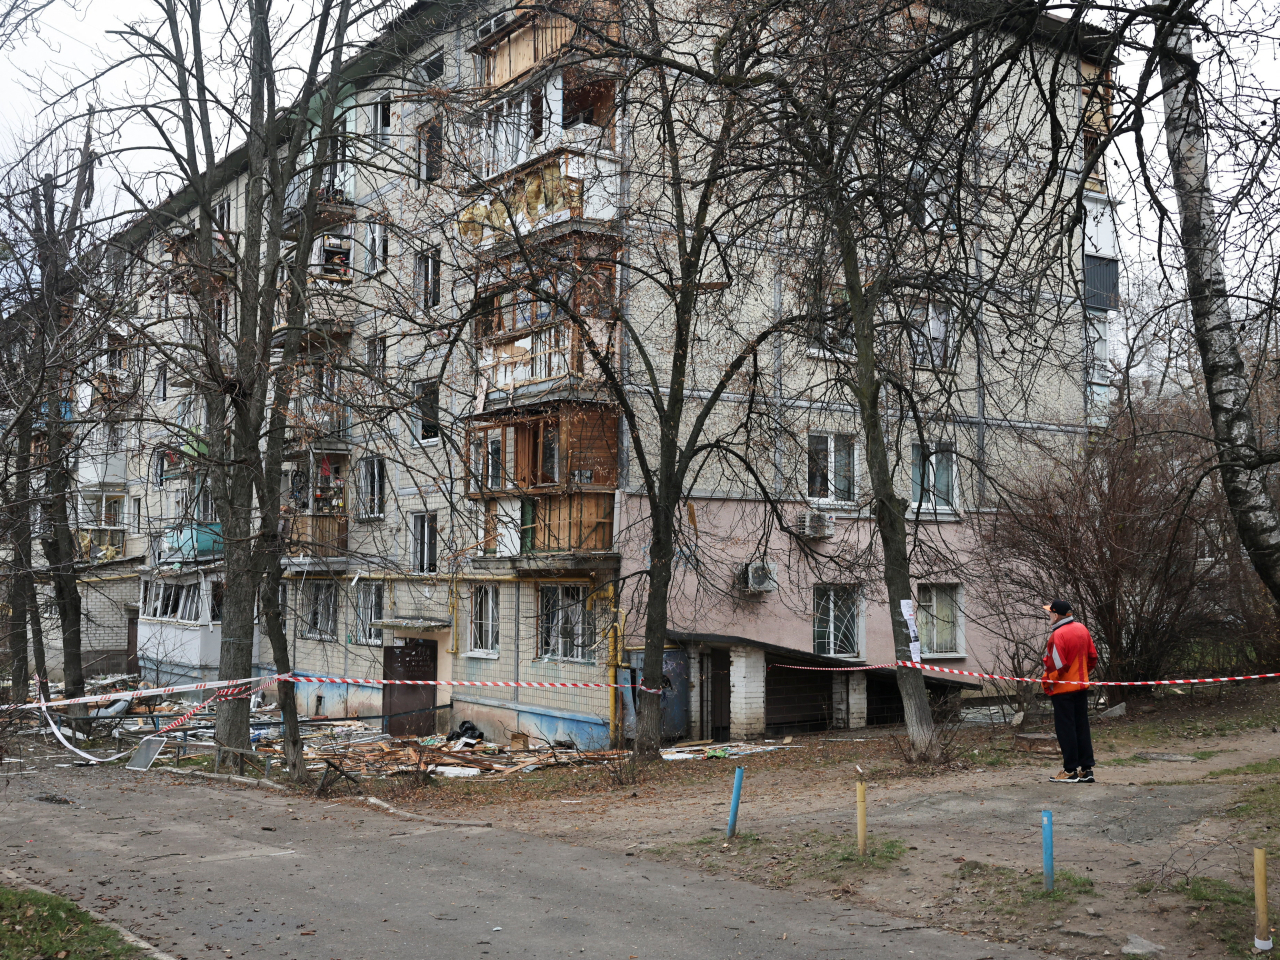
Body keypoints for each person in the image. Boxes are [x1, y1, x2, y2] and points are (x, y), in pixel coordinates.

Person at [1042, 599, 1099, 783]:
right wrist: (1082, 674)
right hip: (1081, 686)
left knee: (1066, 729)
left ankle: (1070, 771)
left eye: (1050, 612)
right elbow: (1092, 658)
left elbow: (1057, 667)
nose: (1049, 615)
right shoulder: (1082, 629)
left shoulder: (1058, 635)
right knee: (1081, 726)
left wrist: (1046, 683)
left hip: (1063, 689)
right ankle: (1086, 769)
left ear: (1057, 615)